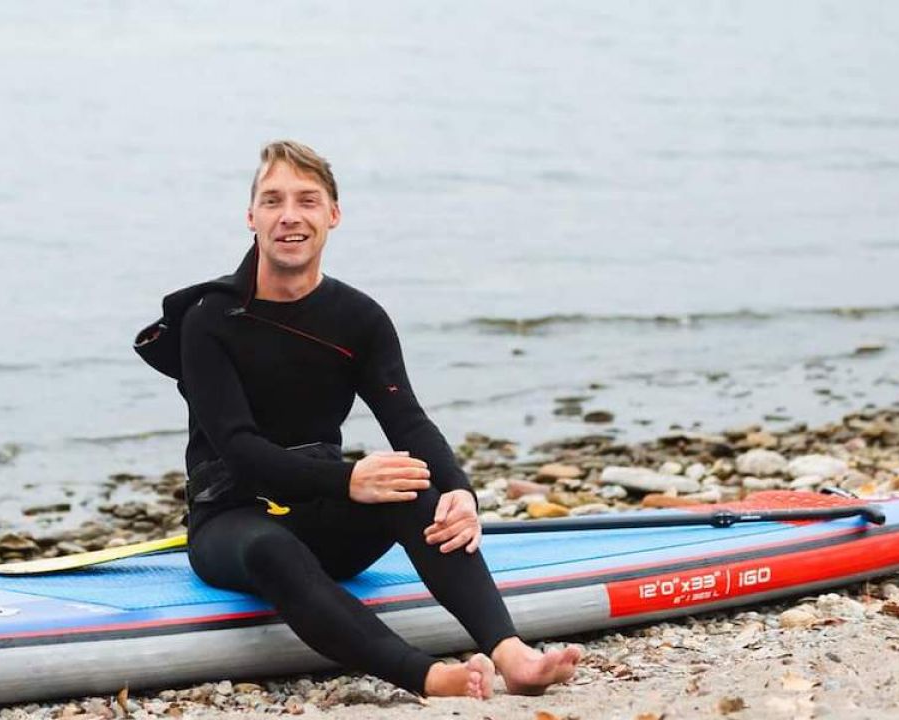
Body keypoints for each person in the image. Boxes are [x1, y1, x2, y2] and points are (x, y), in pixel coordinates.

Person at [135, 140, 579, 699]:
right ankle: (425, 675)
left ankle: (511, 652)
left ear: (333, 215)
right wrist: (348, 479)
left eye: (307, 200)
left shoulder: (360, 319)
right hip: (230, 522)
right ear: (251, 217)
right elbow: (239, 449)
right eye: (272, 201)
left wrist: (460, 492)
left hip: (321, 521)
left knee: (417, 492)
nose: (289, 215)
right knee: (275, 548)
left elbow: (408, 421)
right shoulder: (210, 320)